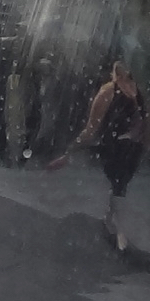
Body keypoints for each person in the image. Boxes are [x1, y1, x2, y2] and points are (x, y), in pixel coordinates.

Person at [50, 58, 145, 251]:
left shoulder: (136, 90)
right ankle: (120, 233)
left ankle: (110, 222)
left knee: (121, 185)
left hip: (133, 147)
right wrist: (69, 153)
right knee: (119, 185)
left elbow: (144, 118)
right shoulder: (108, 92)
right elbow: (91, 127)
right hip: (114, 146)